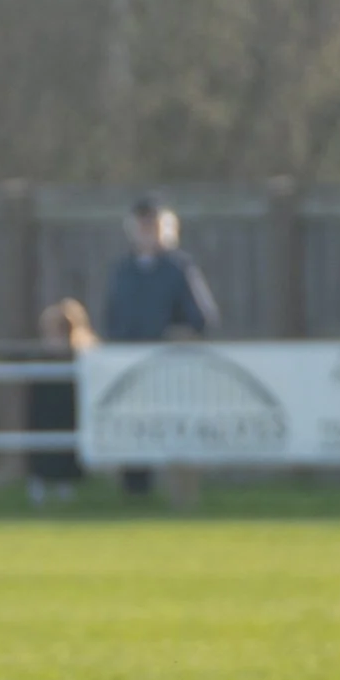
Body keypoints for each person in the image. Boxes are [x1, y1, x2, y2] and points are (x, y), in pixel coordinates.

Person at [102, 196, 217, 497]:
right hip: (131, 366)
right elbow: (112, 317)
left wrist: (174, 335)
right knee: (132, 433)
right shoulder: (123, 271)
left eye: (152, 224)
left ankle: (182, 495)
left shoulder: (179, 268)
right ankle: (135, 495)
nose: (146, 230)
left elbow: (202, 318)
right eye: (141, 224)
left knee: (175, 432)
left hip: (171, 369)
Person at [27, 299, 94, 507]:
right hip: (45, 409)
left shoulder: (82, 355)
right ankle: (39, 485)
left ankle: (66, 487)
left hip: (68, 407)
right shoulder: (39, 358)